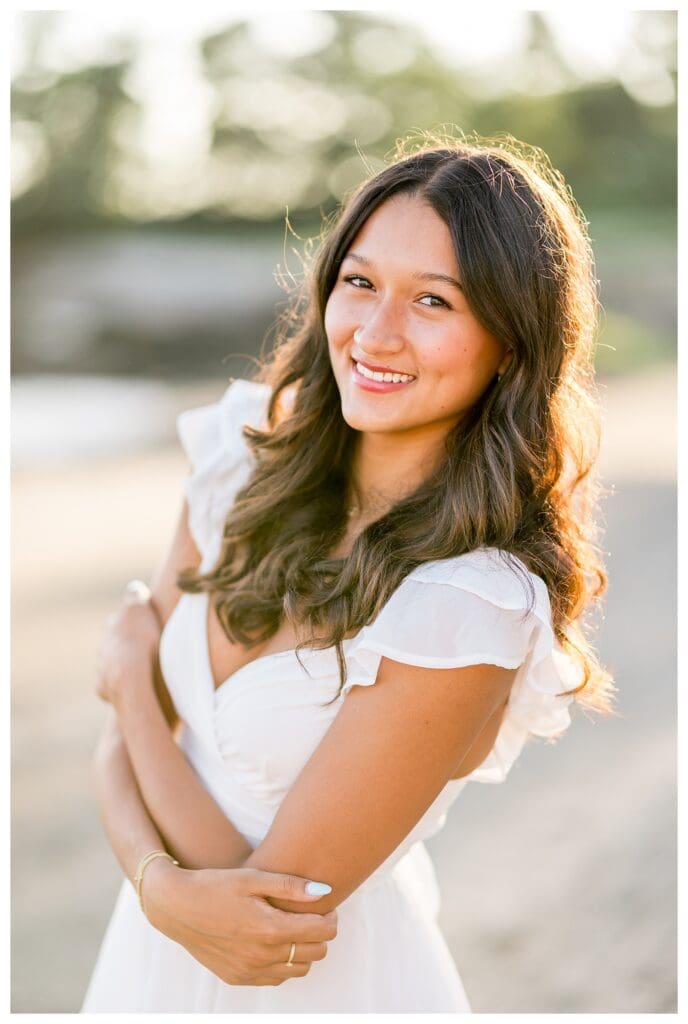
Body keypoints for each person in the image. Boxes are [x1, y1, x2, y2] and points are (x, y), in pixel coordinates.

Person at [82, 134, 614, 1013]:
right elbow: (125, 745)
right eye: (359, 281)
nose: (374, 331)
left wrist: (133, 706)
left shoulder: (470, 602)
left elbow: (264, 919)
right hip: (142, 970)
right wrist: (156, 880)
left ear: (511, 346)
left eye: (433, 300)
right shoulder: (239, 461)